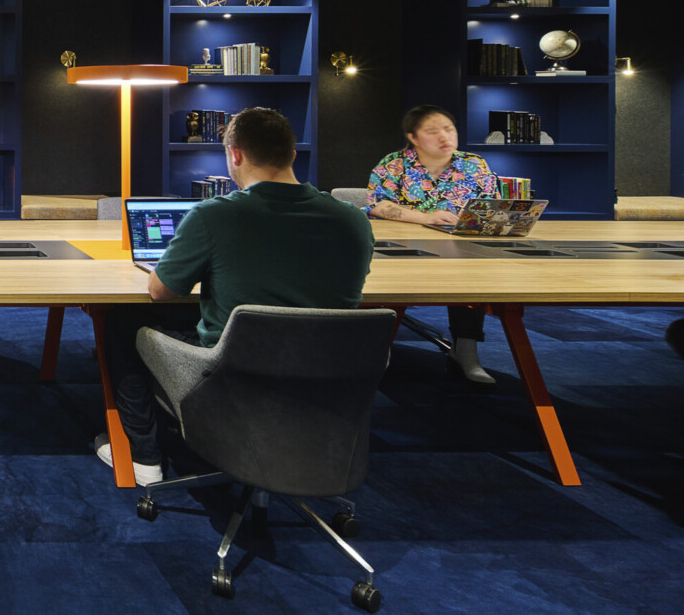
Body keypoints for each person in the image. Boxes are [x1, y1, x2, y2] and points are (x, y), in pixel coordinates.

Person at [96, 107, 374, 485]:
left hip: (233, 372)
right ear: (293, 155)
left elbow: (161, 292)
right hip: (327, 379)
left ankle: (143, 457)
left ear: (235, 154)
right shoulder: (353, 220)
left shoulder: (214, 216)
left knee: (120, 319)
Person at [366, 104, 500, 385]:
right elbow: (378, 205)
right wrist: (425, 218)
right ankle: (379, 349)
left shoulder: (474, 164)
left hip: (460, 249)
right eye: (432, 131)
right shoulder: (394, 164)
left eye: (449, 129)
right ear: (413, 137)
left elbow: (491, 204)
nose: (444, 137)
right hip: (402, 249)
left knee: (471, 275)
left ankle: (466, 350)